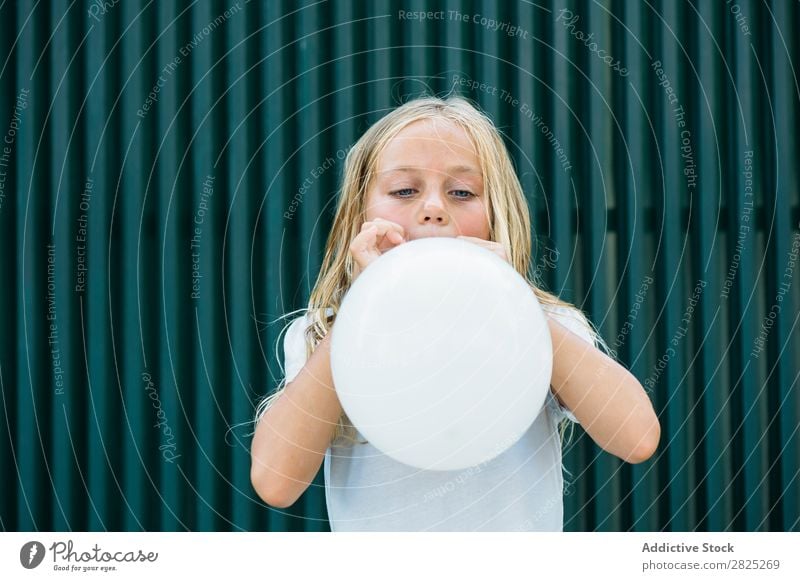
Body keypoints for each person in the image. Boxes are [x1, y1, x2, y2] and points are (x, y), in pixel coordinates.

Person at [250, 95, 660, 531]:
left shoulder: (540, 325)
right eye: (404, 190)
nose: (433, 209)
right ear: (360, 213)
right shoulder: (326, 331)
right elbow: (276, 482)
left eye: (462, 192)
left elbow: (636, 438)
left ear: (496, 215)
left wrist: (512, 298)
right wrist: (359, 307)